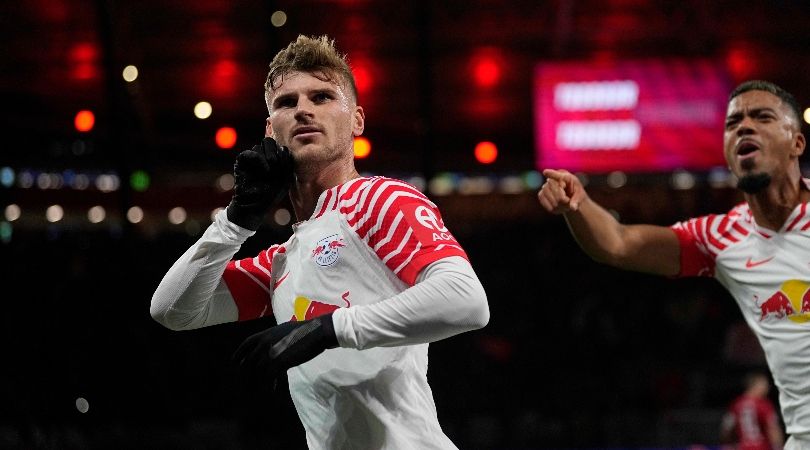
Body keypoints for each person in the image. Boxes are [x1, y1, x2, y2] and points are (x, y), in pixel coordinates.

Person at [150, 35, 489, 449]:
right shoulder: (281, 261)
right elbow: (173, 310)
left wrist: (329, 328)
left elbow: (467, 300)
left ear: (357, 120)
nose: (304, 110)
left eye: (323, 96)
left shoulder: (378, 199)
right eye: (286, 103)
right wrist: (236, 221)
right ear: (270, 130)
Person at [538, 80, 806, 447]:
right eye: (733, 123)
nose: (744, 126)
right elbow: (618, 243)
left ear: (797, 144)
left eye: (762, 117)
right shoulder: (722, 238)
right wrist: (578, 205)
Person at [720, 372, 784, 450]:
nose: (768, 388)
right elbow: (773, 428)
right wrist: (778, 447)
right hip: (762, 447)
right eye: (764, 385)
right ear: (755, 385)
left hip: (742, 447)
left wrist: (730, 445)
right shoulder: (764, 405)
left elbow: (726, 430)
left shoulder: (736, 404)